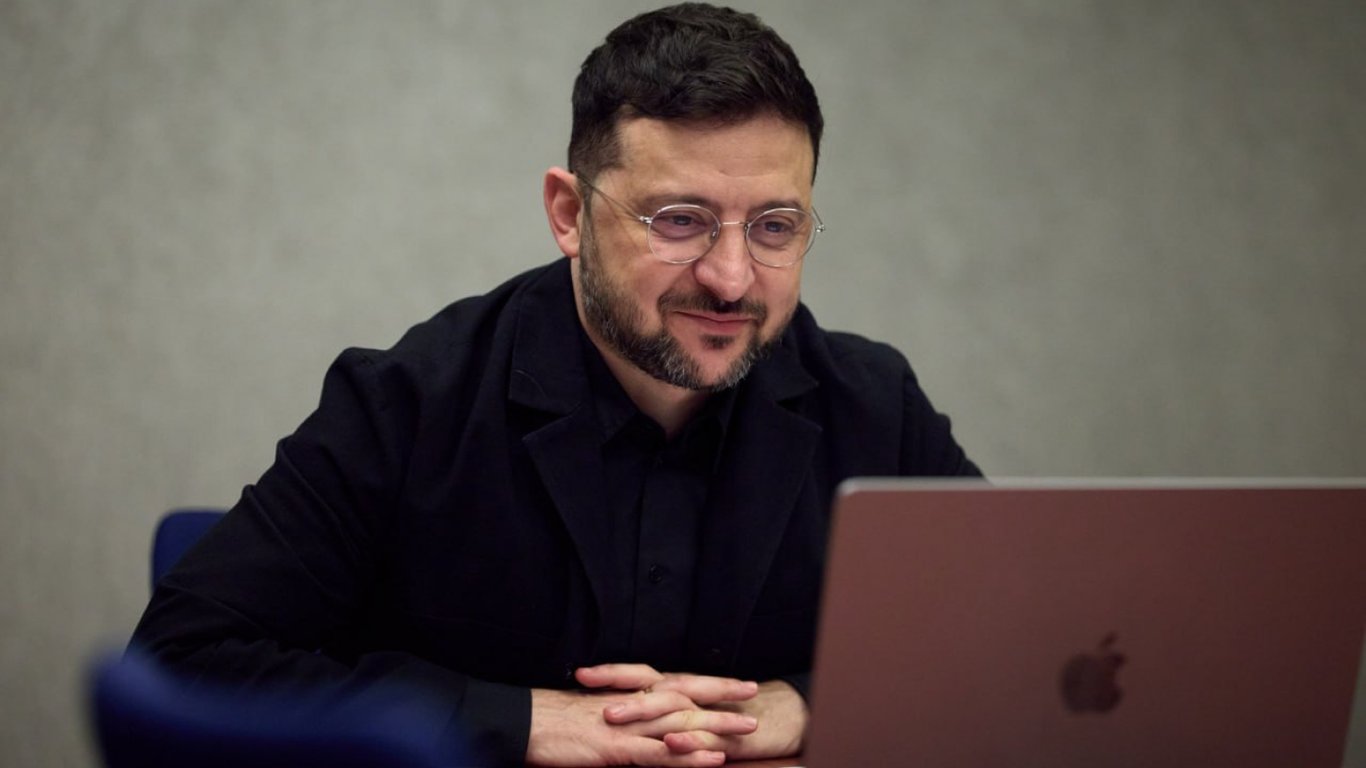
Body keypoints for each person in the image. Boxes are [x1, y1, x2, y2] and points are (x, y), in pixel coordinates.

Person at [130, 3, 980, 766]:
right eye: (679, 220)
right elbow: (182, 657)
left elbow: (1007, 648)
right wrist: (521, 720)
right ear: (570, 214)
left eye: (774, 226)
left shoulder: (877, 406)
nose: (731, 277)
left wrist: (808, 703)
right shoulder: (408, 402)